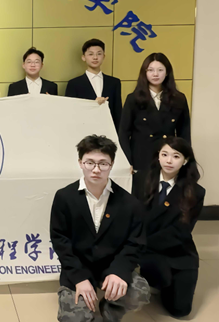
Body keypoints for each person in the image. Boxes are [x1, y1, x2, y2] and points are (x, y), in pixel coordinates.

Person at [50, 135, 150, 322]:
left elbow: (135, 243)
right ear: (80, 163)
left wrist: (119, 271)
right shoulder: (64, 197)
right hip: (78, 266)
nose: (96, 170)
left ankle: (109, 311)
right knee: (74, 318)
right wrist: (79, 278)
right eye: (90, 163)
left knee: (139, 293)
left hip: (111, 265)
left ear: (111, 165)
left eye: (103, 164)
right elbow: (60, 240)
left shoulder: (129, 203)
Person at [140, 137, 205, 318]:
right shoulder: (141, 180)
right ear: (158, 156)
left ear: (185, 160)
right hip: (147, 248)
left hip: (177, 249)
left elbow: (182, 231)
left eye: (176, 156)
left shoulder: (196, 192)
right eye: (164, 154)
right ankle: (154, 277)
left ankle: (164, 281)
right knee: (159, 275)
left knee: (180, 310)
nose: (169, 161)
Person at [119, 53, 190, 200]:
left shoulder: (179, 98)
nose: (155, 74)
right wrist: (127, 161)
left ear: (167, 72)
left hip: (168, 158)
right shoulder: (133, 99)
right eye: (150, 70)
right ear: (144, 73)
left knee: (166, 199)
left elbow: (184, 132)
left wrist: (184, 158)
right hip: (141, 157)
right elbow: (124, 133)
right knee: (141, 200)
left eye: (160, 70)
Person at [65, 39, 122, 130]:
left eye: (99, 54)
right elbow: (71, 112)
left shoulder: (114, 82)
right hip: (83, 130)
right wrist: (93, 104)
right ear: (83, 57)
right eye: (91, 54)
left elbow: (118, 112)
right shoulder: (74, 84)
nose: (95, 57)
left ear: (103, 56)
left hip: (108, 130)